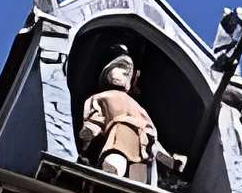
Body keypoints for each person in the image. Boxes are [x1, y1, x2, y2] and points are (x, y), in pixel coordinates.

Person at [77, 48, 184, 183]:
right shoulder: (103, 97)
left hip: (144, 146)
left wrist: (171, 161)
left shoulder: (140, 109)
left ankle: (139, 191)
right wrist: (89, 132)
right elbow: (96, 118)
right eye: (120, 67)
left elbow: (153, 139)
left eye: (128, 72)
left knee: (141, 174)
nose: (125, 72)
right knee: (117, 156)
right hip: (121, 131)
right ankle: (111, 174)